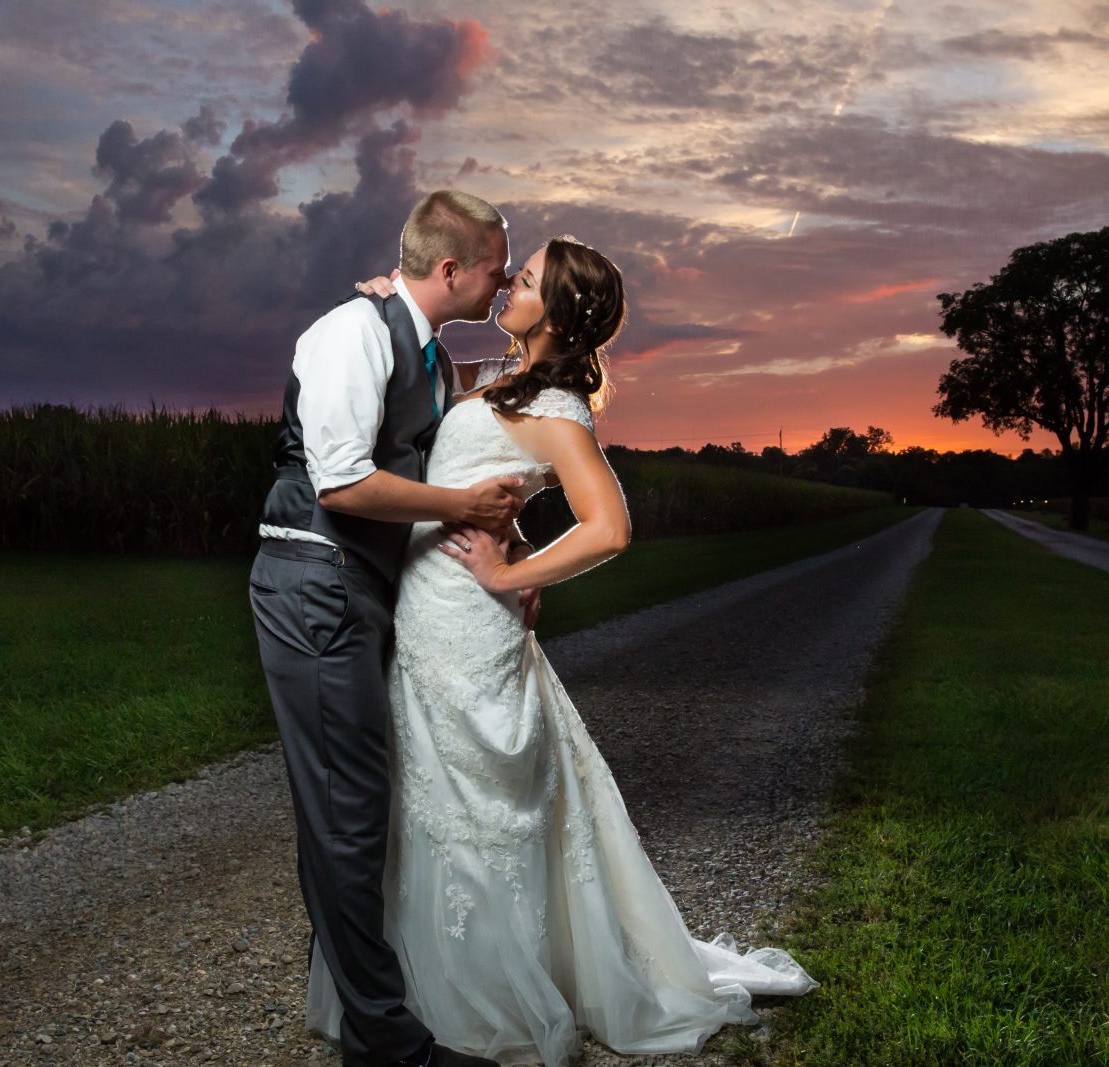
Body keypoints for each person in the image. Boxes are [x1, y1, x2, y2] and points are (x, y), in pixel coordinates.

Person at [305, 237, 818, 1066]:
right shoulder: (501, 379)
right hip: (425, 610)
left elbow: (609, 527)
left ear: (561, 311)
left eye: (529, 278)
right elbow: (437, 393)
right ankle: (419, 982)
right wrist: (391, 294)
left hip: (472, 619)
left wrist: (514, 572)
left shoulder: (559, 411)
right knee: (425, 787)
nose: (510, 283)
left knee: (477, 796)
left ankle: (490, 993)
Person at [250, 189, 536, 1067]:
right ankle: (388, 1047)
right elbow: (340, 484)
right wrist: (463, 504)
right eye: (495, 267)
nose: (500, 284)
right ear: (451, 268)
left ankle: (353, 998)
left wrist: (506, 553)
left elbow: (404, 469)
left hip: (354, 586)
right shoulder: (354, 333)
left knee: (344, 809)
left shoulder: (424, 350)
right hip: (315, 582)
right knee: (351, 812)